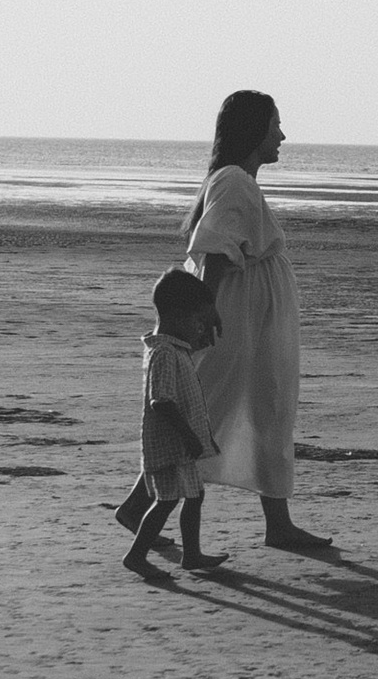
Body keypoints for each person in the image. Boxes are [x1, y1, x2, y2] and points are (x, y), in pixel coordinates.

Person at [113, 89, 333, 557]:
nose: (282, 135)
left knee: (258, 408)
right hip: (238, 319)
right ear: (254, 130)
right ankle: (141, 504)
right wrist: (207, 314)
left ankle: (277, 521)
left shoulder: (235, 180)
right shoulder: (234, 181)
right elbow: (212, 249)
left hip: (251, 316)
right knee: (215, 408)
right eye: (275, 125)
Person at [123, 266, 226, 574]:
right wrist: (188, 437)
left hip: (181, 446)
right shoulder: (163, 353)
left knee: (195, 495)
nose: (199, 329)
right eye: (196, 322)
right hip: (169, 446)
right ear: (180, 315)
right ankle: (137, 556)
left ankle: (191, 553)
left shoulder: (175, 349)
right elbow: (161, 402)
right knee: (166, 501)